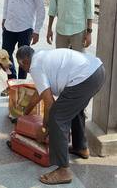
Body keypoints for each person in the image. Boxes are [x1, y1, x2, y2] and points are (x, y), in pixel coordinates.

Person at [16, 46, 105, 185]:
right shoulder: (41, 56)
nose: (24, 70)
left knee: (57, 117)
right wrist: (24, 114)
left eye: (21, 66)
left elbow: (49, 103)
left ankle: (63, 170)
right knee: (73, 108)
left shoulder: (35, 67)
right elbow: (40, 92)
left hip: (85, 77)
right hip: (97, 71)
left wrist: (44, 129)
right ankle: (80, 147)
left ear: (24, 62)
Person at [0, 0, 45, 96]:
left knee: (24, 59)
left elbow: (40, 6)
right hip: (10, 24)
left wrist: (37, 30)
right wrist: (4, 16)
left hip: (25, 26)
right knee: (6, 55)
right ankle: (11, 84)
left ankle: (21, 87)